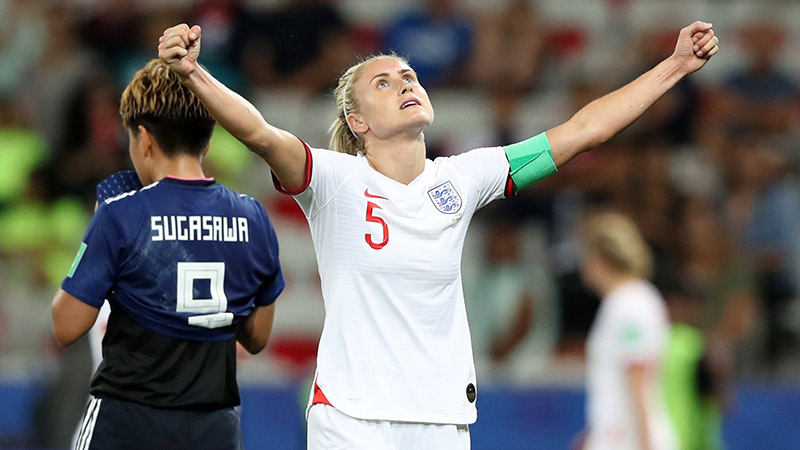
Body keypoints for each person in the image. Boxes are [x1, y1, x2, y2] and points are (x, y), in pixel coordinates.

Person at [158, 20, 718, 450]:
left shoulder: (464, 177)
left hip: (443, 419)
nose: (406, 83)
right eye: (384, 81)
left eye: (410, 75)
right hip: (353, 418)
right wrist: (192, 73)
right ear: (358, 122)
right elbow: (258, 131)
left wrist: (674, 65)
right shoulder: (331, 180)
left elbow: (581, 132)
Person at [50, 59, 286, 450]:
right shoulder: (253, 216)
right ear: (207, 141)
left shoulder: (121, 214)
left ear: (144, 138)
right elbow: (257, 338)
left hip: (127, 422)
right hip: (215, 427)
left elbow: (66, 326)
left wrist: (96, 232)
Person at [578, 212, 677, 450]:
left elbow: (638, 380)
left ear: (600, 257)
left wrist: (646, 446)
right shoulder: (623, 302)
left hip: (628, 441)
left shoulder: (630, 304)